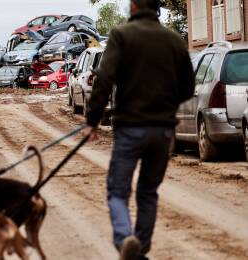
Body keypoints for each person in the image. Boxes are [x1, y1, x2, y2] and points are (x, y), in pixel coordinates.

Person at [83, 0, 195, 259]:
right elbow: (188, 88)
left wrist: (92, 121)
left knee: (118, 190)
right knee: (148, 191)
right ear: (157, 8)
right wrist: (164, 105)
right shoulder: (174, 41)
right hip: (163, 130)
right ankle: (140, 248)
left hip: (130, 128)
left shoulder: (122, 36)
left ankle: (124, 241)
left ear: (133, 6)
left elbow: (104, 79)